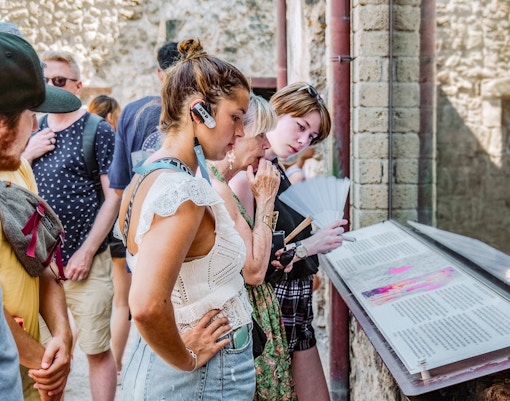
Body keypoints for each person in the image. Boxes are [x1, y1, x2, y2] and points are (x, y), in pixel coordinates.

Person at [118, 37, 255, 400]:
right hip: (200, 378)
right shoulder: (184, 194)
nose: (240, 132)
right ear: (200, 112)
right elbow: (146, 306)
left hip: (167, 367)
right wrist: (188, 357)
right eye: (235, 118)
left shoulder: (144, 177)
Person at [230, 82, 348, 401]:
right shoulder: (246, 176)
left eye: (311, 137)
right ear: (276, 112)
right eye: (300, 127)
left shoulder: (274, 170)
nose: (303, 140)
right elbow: (252, 266)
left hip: (297, 306)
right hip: (271, 311)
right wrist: (312, 245)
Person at [25, 50, 119, 401]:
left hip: (86, 261)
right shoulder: (32, 127)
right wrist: (28, 153)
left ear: (78, 86)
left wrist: (86, 252)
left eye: (60, 81)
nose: (52, 88)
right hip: (40, 263)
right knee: (46, 353)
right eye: (46, 81)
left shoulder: (97, 130)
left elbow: (113, 197)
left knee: (95, 347)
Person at [0, 27, 80, 401]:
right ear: (3, 124)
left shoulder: (20, 169)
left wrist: (62, 338)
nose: (37, 123)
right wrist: (44, 364)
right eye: (31, 113)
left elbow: (42, 263)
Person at [208, 94, 297, 401]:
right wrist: (266, 200)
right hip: (241, 321)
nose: (265, 145)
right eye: (260, 135)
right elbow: (255, 271)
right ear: (237, 132)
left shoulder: (221, 181)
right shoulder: (220, 188)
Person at [87, 95, 128, 379]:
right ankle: (118, 362)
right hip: (117, 228)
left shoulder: (85, 138)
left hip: (96, 229)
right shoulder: (113, 142)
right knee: (122, 302)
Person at [108, 41, 180, 195]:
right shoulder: (202, 114)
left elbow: (120, 187)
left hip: (139, 208)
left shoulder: (131, 112)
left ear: (159, 73)